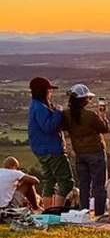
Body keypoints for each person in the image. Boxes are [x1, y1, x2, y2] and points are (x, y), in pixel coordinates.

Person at [61, 84, 110, 216]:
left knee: (84, 185)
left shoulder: (66, 115)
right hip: (96, 153)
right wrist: (103, 115)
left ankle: (83, 213)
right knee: (99, 186)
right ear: (84, 100)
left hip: (80, 154)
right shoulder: (91, 115)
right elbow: (104, 128)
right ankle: (99, 214)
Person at [27, 76, 75, 209]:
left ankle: (48, 211)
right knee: (66, 182)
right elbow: (48, 126)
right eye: (49, 90)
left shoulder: (34, 105)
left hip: (41, 149)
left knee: (50, 181)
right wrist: (58, 112)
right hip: (51, 149)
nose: (50, 92)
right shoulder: (40, 107)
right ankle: (56, 211)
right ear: (43, 91)